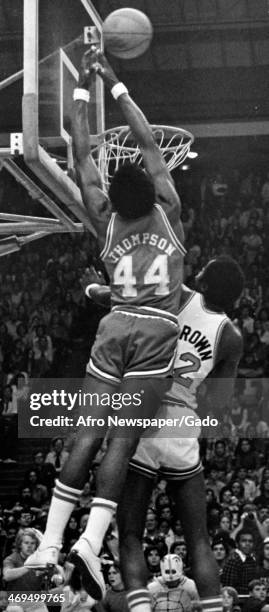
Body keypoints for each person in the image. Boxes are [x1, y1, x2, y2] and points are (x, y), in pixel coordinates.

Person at [25, 47, 185, 604]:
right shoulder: (168, 204)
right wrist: (117, 84)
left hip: (115, 327)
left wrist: (82, 88)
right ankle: (91, 541)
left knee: (89, 429)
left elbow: (79, 145)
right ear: (152, 185)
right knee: (122, 438)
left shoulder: (102, 216)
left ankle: (48, 542)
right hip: (159, 331)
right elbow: (144, 140)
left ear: (111, 197)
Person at [85, 255, 244, 612]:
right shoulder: (230, 335)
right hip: (182, 423)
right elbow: (218, 405)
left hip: (144, 414)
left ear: (203, 279)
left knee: (130, 534)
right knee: (199, 539)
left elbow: (114, 297)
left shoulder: (175, 294)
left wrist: (90, 286)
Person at [221, 530, 257, 595]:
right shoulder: (233, 560)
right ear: (237, 544)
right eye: (244, 541)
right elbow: (229, 589)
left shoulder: (253, 559)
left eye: (250, 541)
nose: (247, 544)